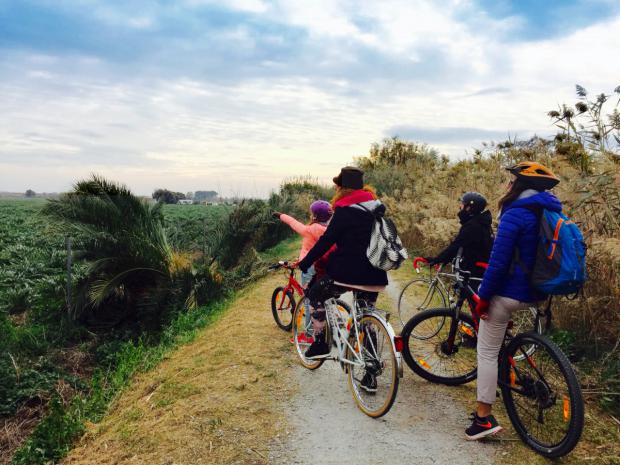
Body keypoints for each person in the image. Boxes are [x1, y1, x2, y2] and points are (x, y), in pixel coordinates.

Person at [466, 161, 561, 440]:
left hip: (509, 293)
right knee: (499, 338)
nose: (507, 185)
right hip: (537, 292)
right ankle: (511, 371)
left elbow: (498, 262)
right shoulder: (549, 210)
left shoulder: (515, 213)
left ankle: (483, 419)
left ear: (517, 186)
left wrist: (483, 298)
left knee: (486, 351)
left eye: (510, 181)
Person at [297, 166, 388, 392]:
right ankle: (370, 373)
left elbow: (326, 242)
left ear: (342, 187)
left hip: (347, 273)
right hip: (376, 272)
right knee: (366, 316)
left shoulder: (344, 210)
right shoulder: (376, 208)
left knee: (315, 293)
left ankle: (319, 343)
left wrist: (306, 262)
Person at [273, 200, 333, 343]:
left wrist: (281, 215)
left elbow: (294, 223)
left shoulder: (311, 229)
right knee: (324, 299)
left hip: (310, 267)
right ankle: (330, 330)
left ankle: (309, 335)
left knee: (309, 301)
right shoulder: (331, 229)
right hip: (326, 267)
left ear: (315, 216)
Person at [425, 192, 493, 286]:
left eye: (462, 204)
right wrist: (444, 259)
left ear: (469, 208)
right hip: (475, 269)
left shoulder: (473, 226)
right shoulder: (481, 223)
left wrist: (436, 259)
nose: (460, 207)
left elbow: (456, 246)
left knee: (470, 297)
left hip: (474, 271)